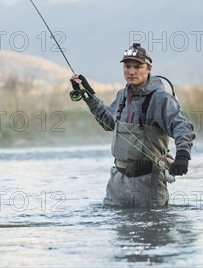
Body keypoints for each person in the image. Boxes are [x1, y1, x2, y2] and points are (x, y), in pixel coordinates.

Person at [70, 43, 195, 208]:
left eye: (137, 66)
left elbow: (183, 127)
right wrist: (88, 95)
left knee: (153, 232)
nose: (131, 71)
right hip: (117, 183)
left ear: (148, 68)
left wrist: (183, 156)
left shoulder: (161, 98)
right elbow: (108, 123)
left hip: (148, 182)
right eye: (127, 66)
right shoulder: (122, 95)